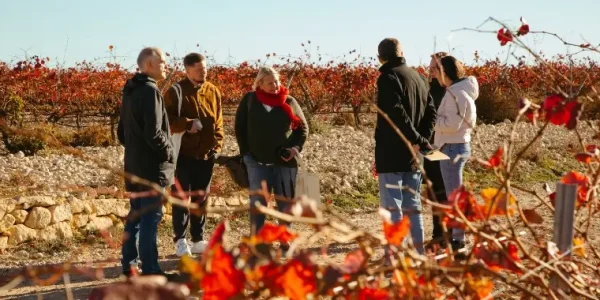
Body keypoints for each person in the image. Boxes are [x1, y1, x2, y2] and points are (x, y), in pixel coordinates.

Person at [374, 38, 437, 255]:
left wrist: (415, 138)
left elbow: (396, 115)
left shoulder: (387, 78)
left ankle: (396, 257)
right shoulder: (419, 77)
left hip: (392, 152)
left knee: (393, 208)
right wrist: (422, 139)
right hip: (415, 154)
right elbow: (431, 112)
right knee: (413, 207)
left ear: (380, 57)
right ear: (401, 53)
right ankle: (418, 255)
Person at [117, 47, 176, 278]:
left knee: (136, 216)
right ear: (149, 65)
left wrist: (136, 151)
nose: (166, 66)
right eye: (162, 62)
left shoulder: (129, 91)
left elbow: (121, 132)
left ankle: (129, 267)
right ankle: (151, 270)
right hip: (152, 167)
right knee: (152, 217)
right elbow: (154, 133)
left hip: (134, 165)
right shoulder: (150, 92)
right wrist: (168, 153)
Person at [234, 66, 309, 243]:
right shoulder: (250, 100)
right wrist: (246, 154)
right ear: (259, 84)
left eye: (276, 81)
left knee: (285, 203)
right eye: (270, 82)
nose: (275, 85)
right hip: (257, 162)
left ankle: (284, 238)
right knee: (258, 203)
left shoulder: (288, 102)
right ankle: (257, 241)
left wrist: (294, 149)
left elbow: (303, 129)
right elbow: (240, 128)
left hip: (284, 162)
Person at [164, 53, 224, 257]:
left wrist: (217, 147)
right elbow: (165, 121)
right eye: (199, 70)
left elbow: (219, 122)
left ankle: (198, 239)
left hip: (206, 156)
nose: (203, 72)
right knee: (181, 197)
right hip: (182, 155)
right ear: (187, 70)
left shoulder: (213, 91)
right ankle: (180, 240)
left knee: (201, 198)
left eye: (205, 69)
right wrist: (187, 124)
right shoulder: (176, 92)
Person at [433, 55, 479, 253]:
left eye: (436, 71)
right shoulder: (461, 91)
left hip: (452, 148)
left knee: (453, 197)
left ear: (445, 73)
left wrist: (433, 120)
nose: (434, 74)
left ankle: (458, 241)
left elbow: (452, 124)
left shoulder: (455, 94)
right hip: (456, 146)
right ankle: (457, 237)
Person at [423, 52, 451, 251]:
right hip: (429, 147)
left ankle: (443, 236)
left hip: (444, 147)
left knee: (443, 193)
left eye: (435, 67)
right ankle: (438, 235)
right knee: (435, 192)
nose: (431, 71)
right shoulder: (428, 89)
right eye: (430, 67)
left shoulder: (450, 92)